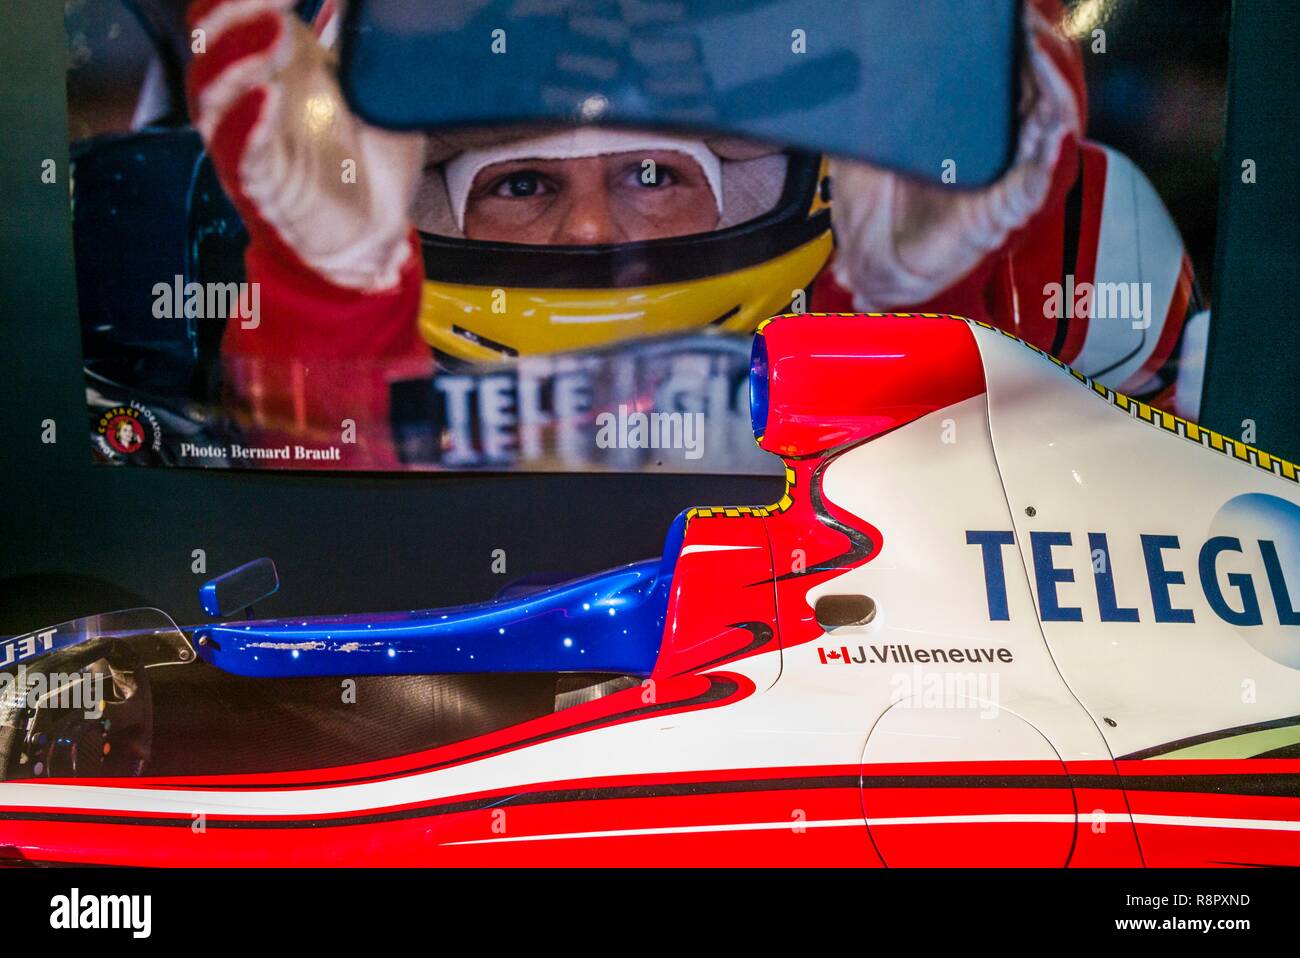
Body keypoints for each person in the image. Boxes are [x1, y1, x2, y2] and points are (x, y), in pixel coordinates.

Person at [185, 0, 1205, 468]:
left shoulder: (1061, 246)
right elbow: (315, 542)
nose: (589, 225)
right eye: (524, 180)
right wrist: (325, 291)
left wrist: (915, 319)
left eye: (650, 171)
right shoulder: (278, 274)